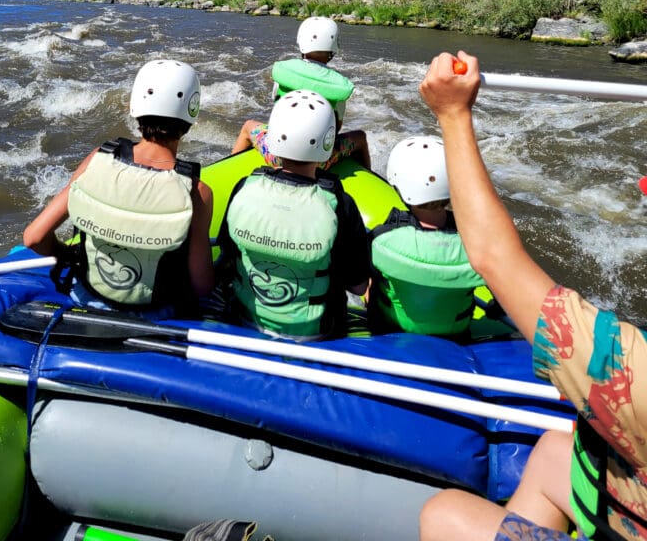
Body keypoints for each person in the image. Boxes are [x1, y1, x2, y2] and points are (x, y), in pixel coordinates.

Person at [417, 50, 647, 541]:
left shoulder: (631, 369)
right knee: (552, 454)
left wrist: (454, 115)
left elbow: (493, 258)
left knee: (445, 516)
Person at [23, 58, 214, 315]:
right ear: (192, 112)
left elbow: (34, 237)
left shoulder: (98, 159)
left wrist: (66, 254)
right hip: (154, 312)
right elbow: (202, 286)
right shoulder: (196, 191)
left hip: (85, 296)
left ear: (135, 106)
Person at [218, 89, 371, 340]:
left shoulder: (243, 188)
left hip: (244, 319)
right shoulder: (340, 204)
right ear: (327, 141)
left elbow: (227, 254)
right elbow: (359, 285)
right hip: (318, 333)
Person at [367, 135, 484, 336]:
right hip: (456, 335)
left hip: (391, 329)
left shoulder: (382, 240)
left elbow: (361, 283)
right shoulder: (478, 248)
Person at [231, 16, 371, 170]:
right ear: (333, 47)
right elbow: (336, 128)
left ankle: (230, 171)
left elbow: (277, 109)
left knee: (248, 126)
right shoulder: (339, 85)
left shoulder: (284, 70)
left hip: (277, 156)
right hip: (320, 162)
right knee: (360, 137)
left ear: (301, 42)